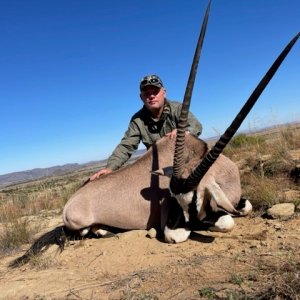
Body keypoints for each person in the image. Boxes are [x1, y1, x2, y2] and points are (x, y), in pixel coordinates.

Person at [90, 74, 202, 181]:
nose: (151, 96)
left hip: (183, 164)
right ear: (141, 97)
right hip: (158, 168)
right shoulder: (137, 120)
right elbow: (126, 146)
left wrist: (184, 132)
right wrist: (110, 168)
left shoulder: (178, 108)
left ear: (164, 93)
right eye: (146, 93)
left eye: (155, 91)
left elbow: (196, 126)